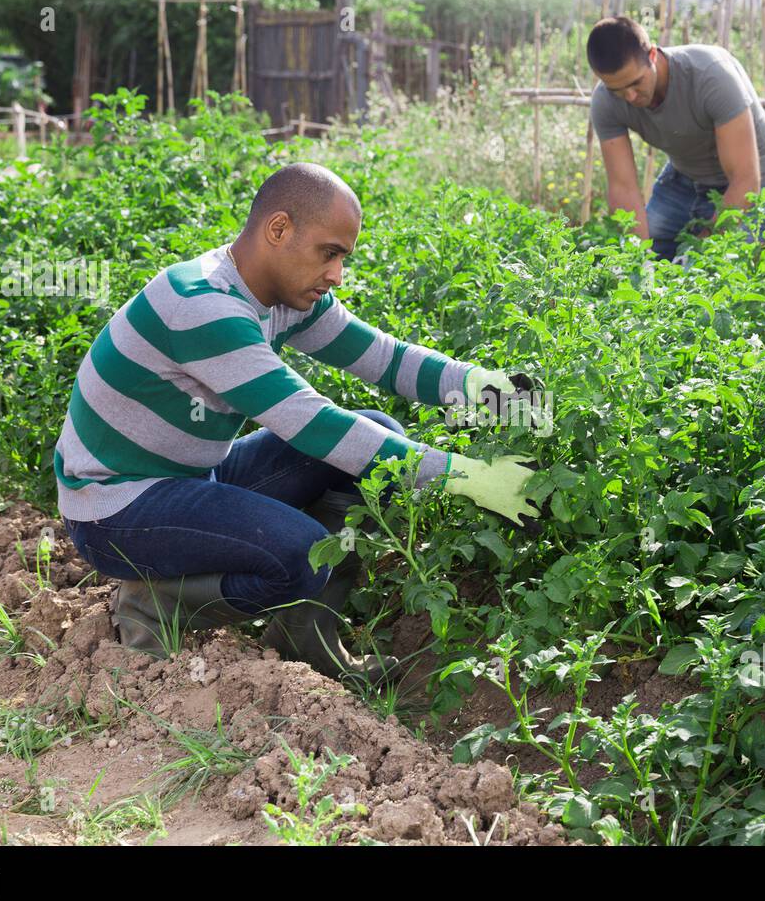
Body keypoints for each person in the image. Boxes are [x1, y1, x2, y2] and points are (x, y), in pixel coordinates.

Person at [56, 163, 541, 684]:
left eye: (343, 258)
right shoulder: (202, 306)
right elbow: (312, 424)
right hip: (115, 507)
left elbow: (385, 359)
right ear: (279, 230)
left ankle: (305, 637)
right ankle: (156, 603)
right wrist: (471, 477)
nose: (336, 274)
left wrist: (488, 391)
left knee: (378, 438)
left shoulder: (282, 295)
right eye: (329, 253)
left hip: (193, 476)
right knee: (305, 554)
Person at [587, 16, 765, 261]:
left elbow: (745, 179)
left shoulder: (711, 76)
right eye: (618, 89)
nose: (631, 96)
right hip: (685, 177)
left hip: (750, 181)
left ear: (653, 55)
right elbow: (622, 188)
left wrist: (701, 252)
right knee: (649, 259)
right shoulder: (605, 101)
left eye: (636, 82)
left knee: (726, 269)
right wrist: (637, 260)